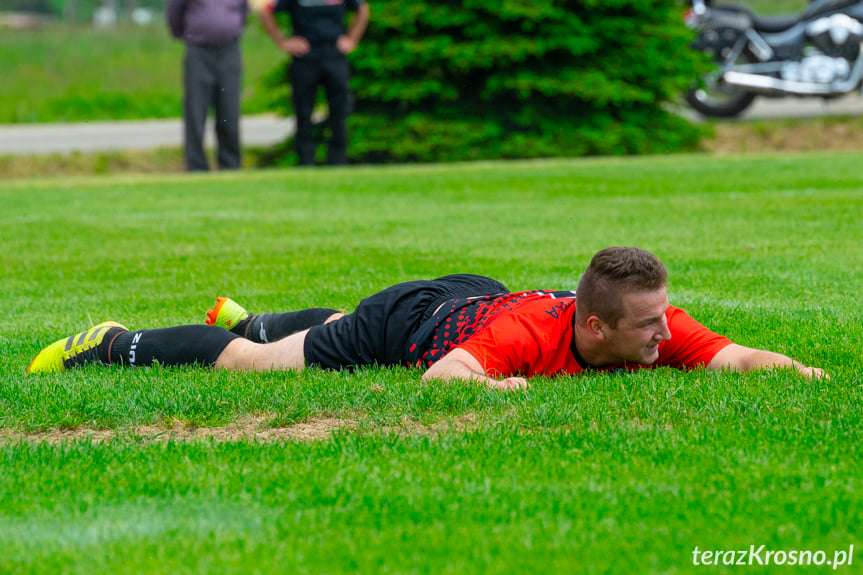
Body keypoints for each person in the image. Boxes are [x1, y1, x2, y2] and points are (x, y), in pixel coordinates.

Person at [27, 247, 826, 387]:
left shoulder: (650, 323)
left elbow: (738, 355)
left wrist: (798, 369)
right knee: (261, 366)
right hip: (409, 318)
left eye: (664, 322)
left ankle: (256, 314)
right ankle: (109, 344)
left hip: (472, 294)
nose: (666, 334)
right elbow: (450, 374)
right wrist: (497, 390)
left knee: (311, 328)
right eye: (649, 326)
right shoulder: (526, 339)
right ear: (591, 327)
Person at [258, 0, 370, 166]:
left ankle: (338, 162)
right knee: (303, 114)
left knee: (339, 112)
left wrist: (352, 39)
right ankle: (306, 163)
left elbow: (363, 8)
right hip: (305, 56)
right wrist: (282, 42)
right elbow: (265, 11)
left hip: (334, 55)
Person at [167, 0, 248, 172]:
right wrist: (185, 34)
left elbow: (244, 13)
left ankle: (230, 165)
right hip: (199, 52)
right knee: (196, 111)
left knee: (229, 110)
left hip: (229, 52)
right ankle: (196, 167)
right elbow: (174, 14)